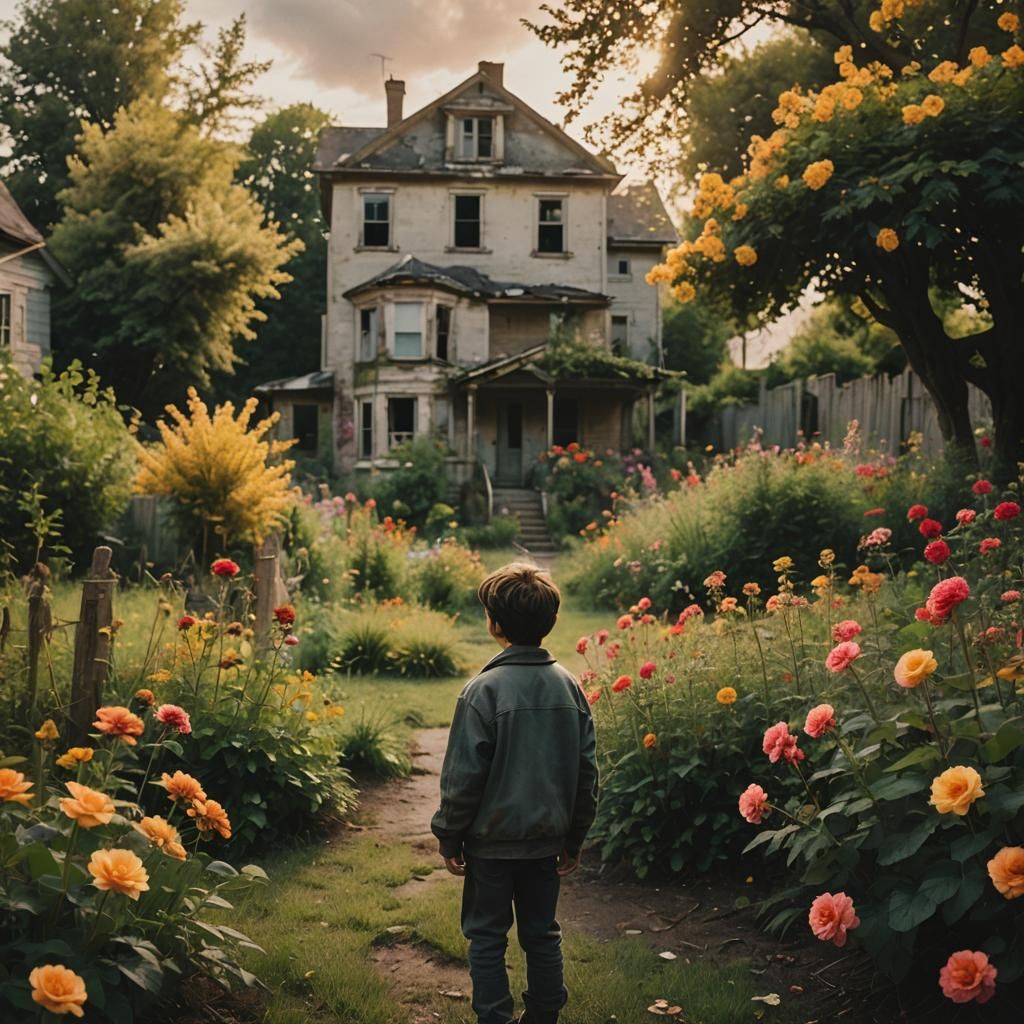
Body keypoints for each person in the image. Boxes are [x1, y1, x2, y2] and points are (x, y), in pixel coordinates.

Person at [431, 563, 598, 1024]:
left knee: (486, 935)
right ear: (550, 621)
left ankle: (495, 1018)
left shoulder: (481, 692)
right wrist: (575, 837)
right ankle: (544, 1015)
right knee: (542, 934)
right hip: (547, 844)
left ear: (495, 623)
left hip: (491, 846)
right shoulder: (570, 688)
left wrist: (449, 835)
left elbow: (462, 779)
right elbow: (587, 773)